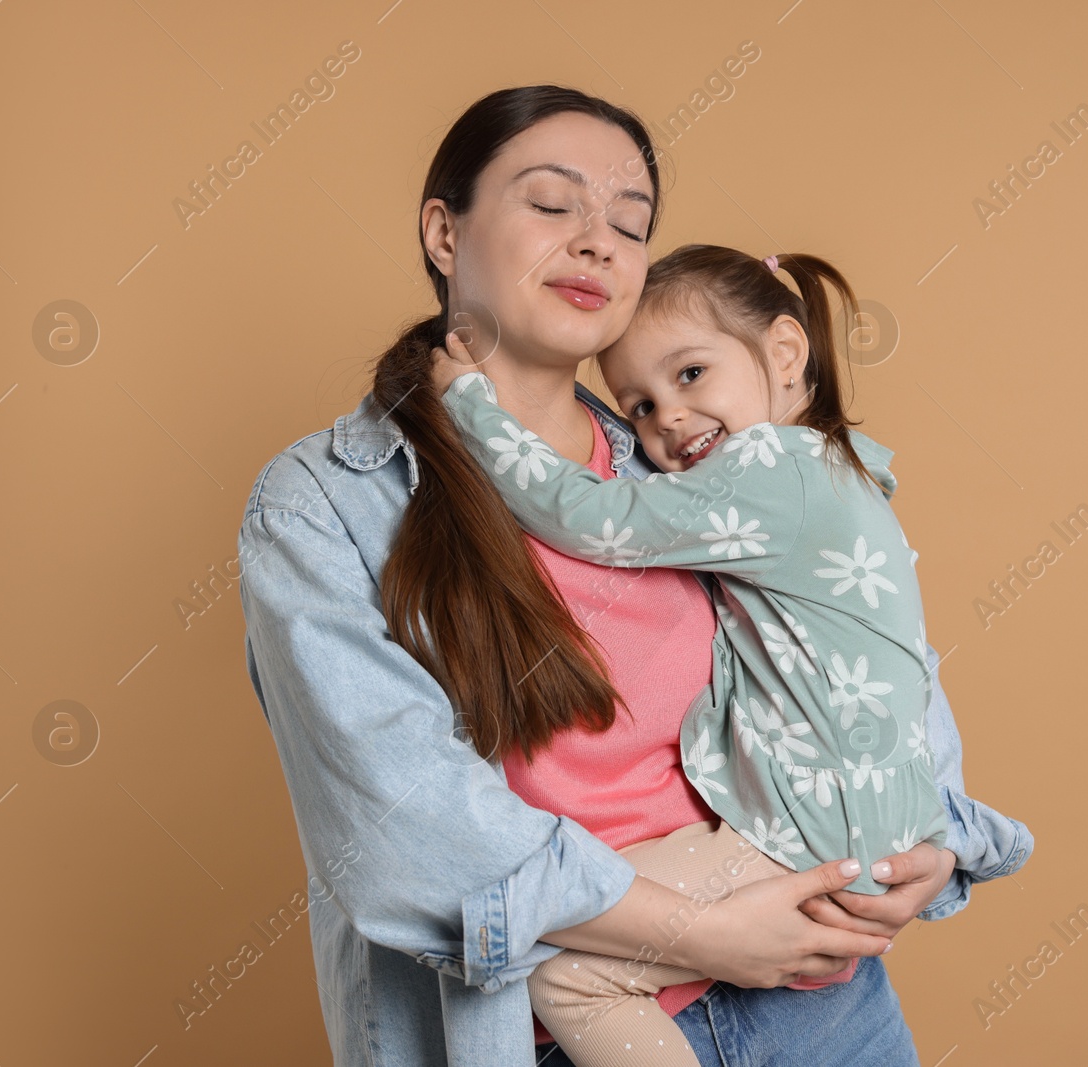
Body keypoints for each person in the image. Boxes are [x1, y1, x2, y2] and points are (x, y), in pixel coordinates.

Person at [237, 85, 1033, 1067]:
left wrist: (934, 837)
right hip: (559, 1030)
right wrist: (698, 934)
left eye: (629, 221)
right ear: (445, 232)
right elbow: (406, 825)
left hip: (819, 1002)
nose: (597, 241)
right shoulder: (325, 503)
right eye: (550, 202)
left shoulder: (692, 453)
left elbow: (860, 638)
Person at [431, 242, 1003, 1066]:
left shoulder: (769, 467)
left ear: (782, 352)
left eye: (692, 374)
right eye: (636, 405)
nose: (666, 417)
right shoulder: (841, 471)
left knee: (568, 979)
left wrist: (473, 406)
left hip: (805, 833)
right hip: (866, 830)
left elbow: (589, 517)